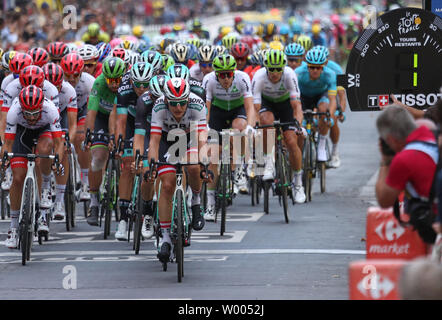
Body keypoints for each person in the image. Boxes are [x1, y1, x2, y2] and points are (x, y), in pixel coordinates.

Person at [147, 77, 208, 262]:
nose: (178, 108)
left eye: (182, 103)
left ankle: (196, 201)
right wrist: (152, 166)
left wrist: (204, 164)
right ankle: (165, 237)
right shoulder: (158, 107)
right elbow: (155, 141)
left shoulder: (197, 104)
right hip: (167, 139)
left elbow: (202, 139)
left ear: (188, 99)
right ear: (166, 100)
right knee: (166, 185)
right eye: (174, 104)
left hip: (190, 138)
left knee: (193, 165)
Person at [2, 85, 64, 248]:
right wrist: (4, 161)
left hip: (43, 131)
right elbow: (7, 143)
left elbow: (59, 143)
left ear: (41, 107)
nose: (31, 117)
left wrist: (57, 162)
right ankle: (14, 228)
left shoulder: (50, 109)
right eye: (27, 113)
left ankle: (45, 186)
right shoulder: (14, 111)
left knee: (44, 151)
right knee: (17, 178)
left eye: (34, 113)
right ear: (21, 108)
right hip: (22, 134)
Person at [375, 105, 438, 244]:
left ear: (390, 139)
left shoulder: (404, 159)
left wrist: (385, 160)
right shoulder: (433, 135)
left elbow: (384, 200)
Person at [84, 57, 126, 226]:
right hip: (102, 116)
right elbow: (91, 112)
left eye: (118, 80)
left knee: (127, 154)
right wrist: (88, 134)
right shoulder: (99, 83)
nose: (114, 84)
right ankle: (93, 201)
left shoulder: (127, 84)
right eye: (111, 80)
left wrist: (115, 137)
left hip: (122, 117)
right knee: (98, 158)